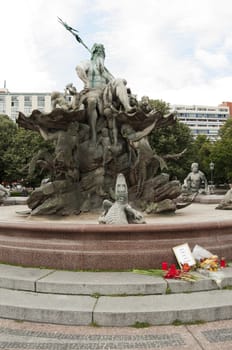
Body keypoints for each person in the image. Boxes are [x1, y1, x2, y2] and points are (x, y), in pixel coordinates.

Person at [76, 43, 134, 143]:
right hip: (92, 91)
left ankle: (127, 107)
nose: (100, 54)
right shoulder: (88, 63)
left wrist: (122, 84)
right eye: (98, 52)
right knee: (92, 101)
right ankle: (93, 134)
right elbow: (79, 68)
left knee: (119, 80)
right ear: (93, 54)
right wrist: (86, 82)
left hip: (105, 94)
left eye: (102, 53)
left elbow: (115, 82)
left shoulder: (105, 71)